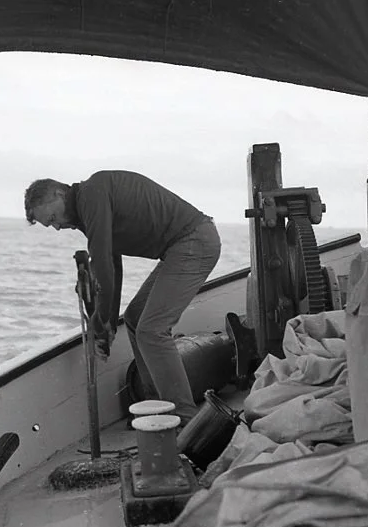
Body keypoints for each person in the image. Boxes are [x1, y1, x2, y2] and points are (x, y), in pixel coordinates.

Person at [24, 170, 221, 425]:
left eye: (53, 217)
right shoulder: (87, 209)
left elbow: (103, 263)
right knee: (135, 318)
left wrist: (99, 321)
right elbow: (113, 266)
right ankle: (157, 409)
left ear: (60, 193)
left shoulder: (92, 194)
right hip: (180, 247)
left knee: (152, 330)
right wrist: (107, 325)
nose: (58, 227)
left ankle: (184, 419)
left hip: (194, 241)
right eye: (50, 225)